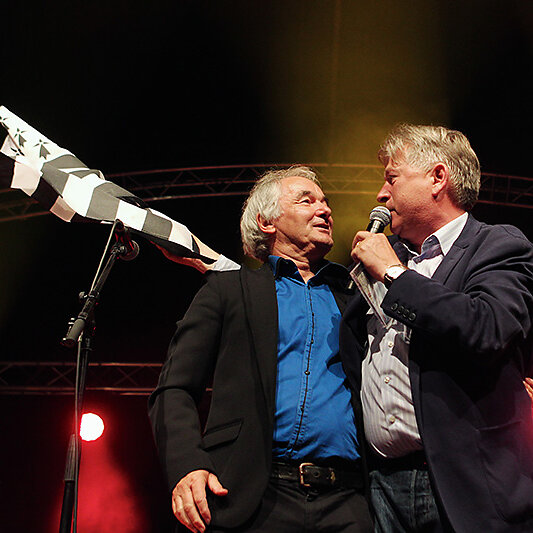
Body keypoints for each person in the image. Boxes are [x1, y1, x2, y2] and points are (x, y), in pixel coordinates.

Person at [149, 166, 373, 533]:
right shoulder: (228, 290)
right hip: (250, 495)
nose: (325, 210)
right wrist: (187, 465)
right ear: (266, 222)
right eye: (307, 201)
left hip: (347, 501)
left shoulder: (354, 299)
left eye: (325, 202)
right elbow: (175, 388)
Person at [340, 124, 533, 532]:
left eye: (392, 178)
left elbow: (488, 327)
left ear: (437, 178)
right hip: (380, 487)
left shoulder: (497, 245)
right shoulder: (380, 258)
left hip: (464, 487)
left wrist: (394, 273)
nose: (381, 194)